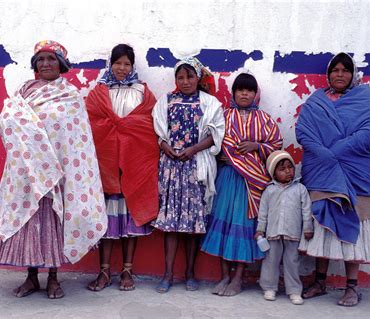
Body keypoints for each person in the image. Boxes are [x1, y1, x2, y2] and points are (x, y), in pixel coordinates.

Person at [0, 40, 108, 299]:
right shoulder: (25, 91)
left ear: (61, 63)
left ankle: (52, 278)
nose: (46, 64)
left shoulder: (70, 96)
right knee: (29, 226)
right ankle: (31, 278)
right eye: (41, 59)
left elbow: (75, 140)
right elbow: (8, 119)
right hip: (26, 171)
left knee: (52, 227)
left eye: (51, 59)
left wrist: (57, 164)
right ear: (35, 64)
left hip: (56, 175)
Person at [295, 52, 370, 306]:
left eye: (345, 70)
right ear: (328, 74)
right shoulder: (316, 101)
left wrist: (334, 151)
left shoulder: (363, 99)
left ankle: (351, 287)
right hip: (321, 171)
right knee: (323, 224)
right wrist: (323, 153)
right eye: (335, 70)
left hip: (354, 173)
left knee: (355, 223)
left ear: (352, 74)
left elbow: (368, 133)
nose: (339, 74)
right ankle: (320, 281)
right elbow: (304, 132)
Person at [85, 44, 159, 291]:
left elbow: (148, 124)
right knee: (105, 219)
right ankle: (104, 272)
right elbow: (92, 124)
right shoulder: (98, 92)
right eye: (117, 63)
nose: (121, 68)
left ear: (133, 66)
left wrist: (124, 133)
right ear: (110, 64)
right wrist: (115, 133)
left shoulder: (142, 92)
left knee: (130, 219)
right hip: (105, 163)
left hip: (134, 164)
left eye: (127, 64)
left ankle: (127, 271)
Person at [201, 73, 283, 296]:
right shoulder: (223, 116)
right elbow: (212, 141)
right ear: (233, 93)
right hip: (227, 179)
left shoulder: (265, 120)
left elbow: (276, 145)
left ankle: (238, 278)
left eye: (249, 90)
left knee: (245, 228)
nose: (244, 94)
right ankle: (224, 276)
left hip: (252, 183)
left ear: (256, 94)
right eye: (240, 90)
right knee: (223, 225)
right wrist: (221, 157)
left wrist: (257, 146)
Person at [152, 57, 225, 293]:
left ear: (198, 77)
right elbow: (159, 133)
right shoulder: (166, 102)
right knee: (171, 224)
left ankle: (190, 273)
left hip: (196, 168)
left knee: (193, 225)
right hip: (172, 169)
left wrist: (192, 149)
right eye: (180, 77)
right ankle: (168, 274)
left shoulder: (210, 103)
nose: (185, 82)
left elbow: (216, 134)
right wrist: (168, 149)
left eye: (190, 76)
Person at [255, 150, 312, 305]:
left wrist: (308, 228)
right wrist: (260, 229)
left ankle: (294, 291)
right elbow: (263, 212)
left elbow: (307, 210)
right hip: (272, 233)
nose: (288, 171)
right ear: (274, 173)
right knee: (270, 261)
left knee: (292, 262)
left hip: (292, 233)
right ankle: (269, 287)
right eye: (282, 169)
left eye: (290, 167)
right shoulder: (269, 190)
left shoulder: (300, 189)